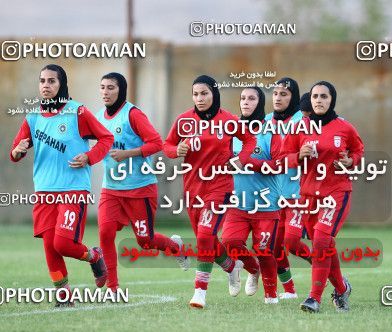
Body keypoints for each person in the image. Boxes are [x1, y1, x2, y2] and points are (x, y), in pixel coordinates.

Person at [10, 64, 114, 306]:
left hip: (73, 189)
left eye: (52, 81)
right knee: (50, 247)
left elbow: (106, 138)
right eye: (42, 81)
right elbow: (14, 153)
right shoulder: (33, 118)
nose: (46, 85)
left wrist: (89, 157)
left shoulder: (77, 112)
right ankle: (64, 297)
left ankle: (94, 256)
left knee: (63, 243)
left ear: (62, 85)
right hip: (44, 192)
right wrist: (18, 150)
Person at [163, 75, 257, 308]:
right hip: (193, 189)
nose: (200, 98)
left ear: (214, 94)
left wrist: (241, 159)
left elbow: (250, 140)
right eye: (195, 94)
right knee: (209, 241)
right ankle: (236, 267)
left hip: (220, 187)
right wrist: (177, 149)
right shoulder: (184, 120)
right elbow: (166, 145)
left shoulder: (228, 120)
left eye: (204, 93)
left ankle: (200, 293)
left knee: (205, 236)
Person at [96, 72, 190, 292]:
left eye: (111, 87)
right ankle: (113, 288)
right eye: (102, 87)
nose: (105, 92)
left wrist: (128, 154)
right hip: (111, 188)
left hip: (140, 188)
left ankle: (175, 247)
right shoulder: (98, 116)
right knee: (105, 233)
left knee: (145, 241)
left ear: (121, 90)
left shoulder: (133, 114)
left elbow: (156, 143)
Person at [281, 81, 364, 313]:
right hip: (308, 196)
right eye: (315, 96)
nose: (318, 100)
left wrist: (351, 161)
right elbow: (283, 158)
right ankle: (341, 287)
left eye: (324, 96)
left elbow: (358, 150)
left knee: (320, 240)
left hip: (336, 192)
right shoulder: (299, 128)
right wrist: (298, 155)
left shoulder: (344, 128)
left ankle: (313, 298)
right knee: (325, 244)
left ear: (332, 100)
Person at [221, 87, 281, 304]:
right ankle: (252, 269)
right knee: (229, 242)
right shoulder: (231, 129)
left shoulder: (269, 130)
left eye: (252, 98)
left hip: (266, 204)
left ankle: (271, 297)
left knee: (264, 250)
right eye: (243, 98)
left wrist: (250, 163)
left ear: (260, 102)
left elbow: (278, 165)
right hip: (238, 203)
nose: (246, 102)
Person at [266, 77, 311, 299]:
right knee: (274, 247)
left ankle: (325, 264)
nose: (278, 98)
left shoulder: (303, 120)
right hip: (274, 196)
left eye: (284, 94)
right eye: (275, 93)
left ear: (293, 97)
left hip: (297, 193)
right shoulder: (265, 122)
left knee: (291, 242)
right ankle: (290, 291)